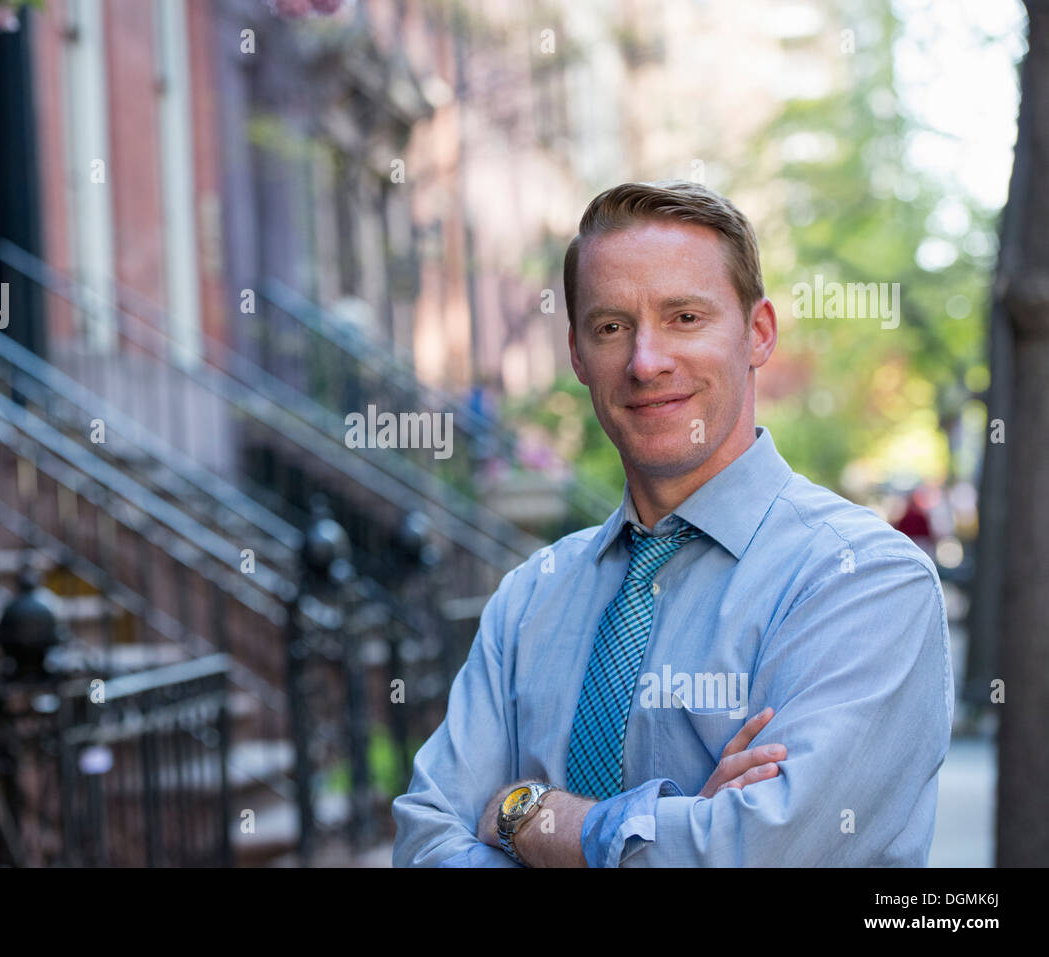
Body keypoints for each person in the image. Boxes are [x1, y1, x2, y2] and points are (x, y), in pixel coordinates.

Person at [391, 181, 953, 867]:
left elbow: (757, 853)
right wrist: (679, 831)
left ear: (758, 332)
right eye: (611, 327)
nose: (645, 361)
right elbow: (425, 840)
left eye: (685, 317)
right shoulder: (528, 598)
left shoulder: (863, 581)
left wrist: (525, 815)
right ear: (576, 353)